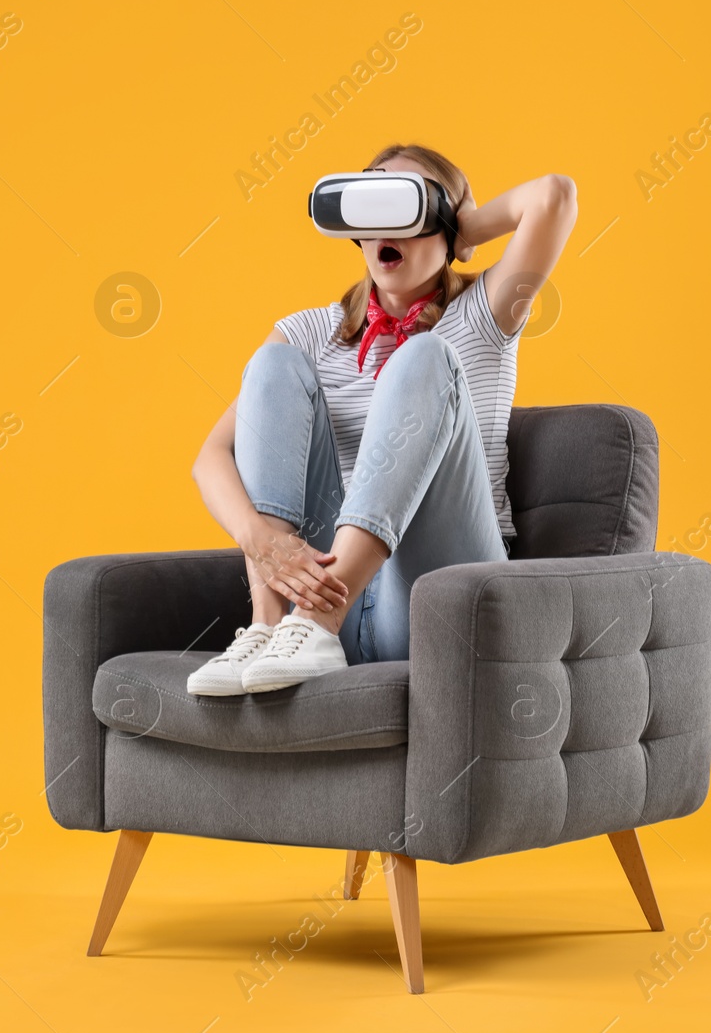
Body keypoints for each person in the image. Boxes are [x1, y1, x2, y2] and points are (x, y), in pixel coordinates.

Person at [188, 143, 578, 695]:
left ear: (444, 220)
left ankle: (319, 621)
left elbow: (554, 196)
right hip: (311, 610)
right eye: (370, 209)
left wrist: (462, 227)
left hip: (434, 602)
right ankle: (270, 627)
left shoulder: (486, 315)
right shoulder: (310, 333)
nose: (385, 228)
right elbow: (210, 457)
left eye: (405, 208)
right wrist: (261, 540)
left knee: (421, 355)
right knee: (270, 363)